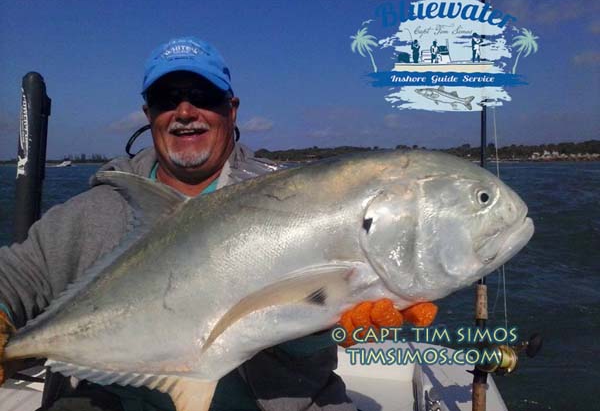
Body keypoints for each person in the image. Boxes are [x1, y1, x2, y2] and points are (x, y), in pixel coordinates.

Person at [0, 36, 357, 411]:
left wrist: (331, 321)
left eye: (202, 95)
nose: (185, 111)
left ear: (231, 109)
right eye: (167, 99)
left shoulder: (295, 207)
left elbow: (315, 308)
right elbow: (17, 275)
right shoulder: (95, 212)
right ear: (149, 114)